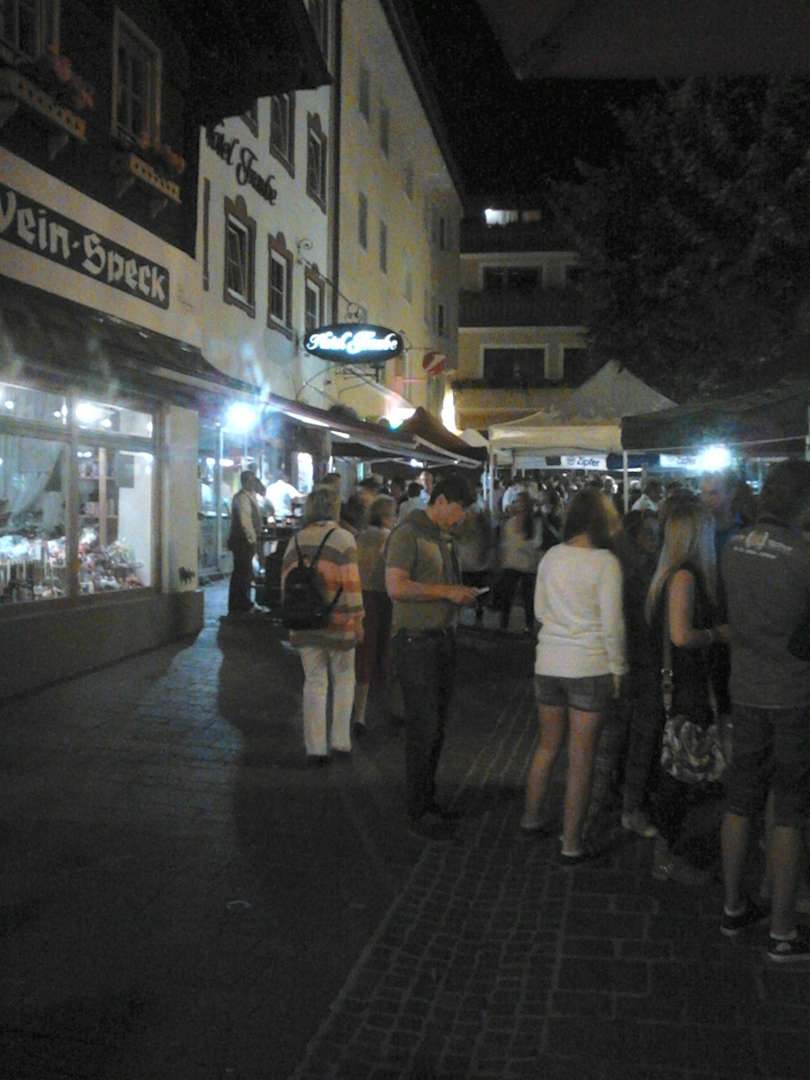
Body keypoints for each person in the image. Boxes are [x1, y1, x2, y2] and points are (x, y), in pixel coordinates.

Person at [720, 460, 810, 960]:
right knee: (790, 810)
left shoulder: (733, 546)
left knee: (740, 801)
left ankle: (733, 907)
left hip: (746, 686)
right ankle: (783, 930)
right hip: (794, 693)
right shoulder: (803, 555)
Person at [522, 488, 627, 863]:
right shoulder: (605, 563)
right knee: (581, 760)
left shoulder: (552, 556)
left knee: (547, 746)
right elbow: (612, 625)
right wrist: (619, 668)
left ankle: (531, 817)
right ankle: (570, 842)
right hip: (589, 666)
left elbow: (539, 611)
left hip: (549, 662)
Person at [385, 475, 479, 840]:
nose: (460, 517)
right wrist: (446, 592)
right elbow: (396, 586)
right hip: (416, 642)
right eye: (458, 509)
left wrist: (458, 594)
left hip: (441, 640)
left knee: (436, 727)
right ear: (439, 500)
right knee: (423, 728)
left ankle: (427, 799)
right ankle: (418, 808)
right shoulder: (408, 534)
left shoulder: (444, 537)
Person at [645, 493, 727, 885]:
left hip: (678, 686)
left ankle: (668, 850)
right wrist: (717, 634)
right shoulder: (685, 577)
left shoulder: (669, 574)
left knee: (678, 772)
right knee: (678, 774)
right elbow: (681, 635)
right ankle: (665, 857)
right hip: (686, 687)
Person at [281, 486, 364, 764]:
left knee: (314, 682)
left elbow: (285, 584)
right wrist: (358, 618)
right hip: (339, 622)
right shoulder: (343, 539)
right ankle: (340, 741)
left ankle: (315, 748)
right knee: (344, 679)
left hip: (304, 622)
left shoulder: (295, 540)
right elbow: (351, 584)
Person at [618, 509, 662, 837]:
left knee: (629, 737)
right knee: (641, 738)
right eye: (649, 533)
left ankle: (624, 798)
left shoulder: (627, 568)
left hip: (634, 663)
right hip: (642, 663)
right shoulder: (641, 573)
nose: (655, 539)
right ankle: (632, 805)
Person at [353, 494, 396, 733]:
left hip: (362, 596)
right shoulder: (390, 538)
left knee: (364, 654)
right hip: (384, 598)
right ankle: (385, 708)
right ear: (386, 516)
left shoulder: (359, 537)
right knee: (384, 653)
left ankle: (359, 713)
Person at [498, 491, 543, 632]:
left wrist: (519, 545)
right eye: (516, 501)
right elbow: (505, 543)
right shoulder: (510, 523)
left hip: (528, 566)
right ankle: (504, 624)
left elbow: (536, 544)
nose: (518, 504)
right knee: (507, 596)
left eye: (520, 501)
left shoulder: (535, 524)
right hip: (511, 564)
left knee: (528, 598)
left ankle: (528, 625)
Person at [226, 470, 266, 616]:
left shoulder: (248, 496)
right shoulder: (242, 498)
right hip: (242, 541)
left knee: (242, 572)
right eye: (251, 480)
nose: (253, 483)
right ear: (246, 481)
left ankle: (239, 603)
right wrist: (252, 539)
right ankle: (241, 604)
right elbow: (245, 521)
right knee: (243, 573)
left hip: (241, 540)